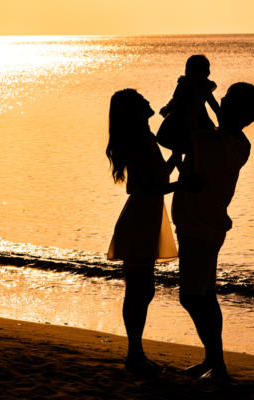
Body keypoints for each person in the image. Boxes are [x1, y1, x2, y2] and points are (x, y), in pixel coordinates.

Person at [172, 82, 254, 381]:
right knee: (206, 295)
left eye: (225, 100)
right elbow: (220, 122)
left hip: (196, 226)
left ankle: (215, 362)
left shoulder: (209, 140)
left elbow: (170, 135)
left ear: (232, 109)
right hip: (211, 226)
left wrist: (190, 94)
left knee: (191, 297)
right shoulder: (240, 143)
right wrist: (207, 97)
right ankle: (216, 364)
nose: (220, 102)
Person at [106, 88, 181, 376]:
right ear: (134, 111)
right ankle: (134, 354)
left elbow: (158, 176)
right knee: (139, 289)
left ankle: (135, 353)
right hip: (140, 217)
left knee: (142, 289)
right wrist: (183, 185)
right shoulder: (138, 140)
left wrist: (175, 158)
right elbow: (148, 186)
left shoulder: (144, 137)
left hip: (146, 216)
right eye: (141, 101)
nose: (148, 101)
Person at [157, 54, 220, 154]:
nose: (208, 72)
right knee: (188, 149)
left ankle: (181, 162)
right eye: (206, 69)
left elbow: (215, 106)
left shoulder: (196, 86)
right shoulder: (194, 86)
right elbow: (214, 106)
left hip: (188, 123)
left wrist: (167, 109)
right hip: (184, 123)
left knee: (182, 150)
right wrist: (167, 109)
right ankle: (182, 162)